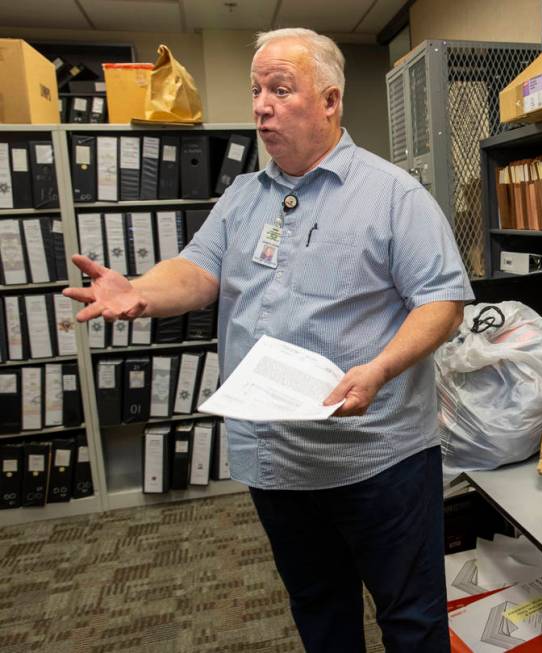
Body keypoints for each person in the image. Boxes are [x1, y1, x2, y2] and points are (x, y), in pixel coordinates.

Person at [64, 28, 473, 653]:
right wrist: (140, 292)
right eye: (257, 90)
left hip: (376, 458)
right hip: (277, 459)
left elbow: (442, 301)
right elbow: (200, 270)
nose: (261, 105)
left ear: (331, 102)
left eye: (280, 89)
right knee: (318, 608)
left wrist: (382, 368)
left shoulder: (394, 195)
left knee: (410, 620)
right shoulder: (243, 197)